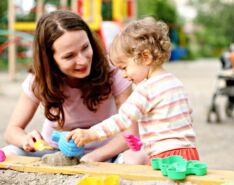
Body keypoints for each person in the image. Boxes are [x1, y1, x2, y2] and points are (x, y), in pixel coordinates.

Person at [3, 10, 145, 164]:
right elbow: (12, 131)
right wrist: (26, 140)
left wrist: (93, 157)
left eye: (85, 48)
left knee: (139, 156)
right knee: (9, 152)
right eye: (69, 56)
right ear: (50, 60)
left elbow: (131, 134)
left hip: (106, 152)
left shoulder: (114, 70)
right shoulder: (38, 80)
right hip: (54, 152)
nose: (83, 61)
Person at [66, 17, 200, 164]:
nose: (124, 74)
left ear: (146, 57)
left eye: (124, 67)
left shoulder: (146, 88)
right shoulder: (175, 82)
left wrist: (91, 133)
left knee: (128, 161)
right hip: (189, 154)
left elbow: (122, 120)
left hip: (164, 156)